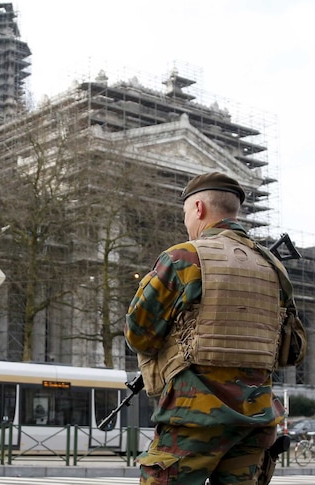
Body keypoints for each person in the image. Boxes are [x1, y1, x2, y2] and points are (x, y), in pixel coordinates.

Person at [126, 172, 303, 485]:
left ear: (198, 208)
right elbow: (293, 350)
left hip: (196, 415)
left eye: (185, 215)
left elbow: (139, 333)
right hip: (256, 417)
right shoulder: (275, 268)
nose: (186, 222)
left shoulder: (184, 257)